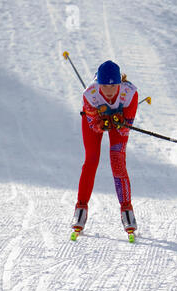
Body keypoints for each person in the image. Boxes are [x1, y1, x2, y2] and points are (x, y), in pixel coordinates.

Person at [71, 60, 138, 236]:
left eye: (113, 87)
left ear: (119, 84)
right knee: (91, 160)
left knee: (117, 161)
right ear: (98, 84)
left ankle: (127, 211)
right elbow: (93, 125)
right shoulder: (90, 94)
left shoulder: (130, 93)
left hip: (117, 124)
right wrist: (103, 123)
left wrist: (119, 121)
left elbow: (125, 128)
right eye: (104, 87)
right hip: (95, 123)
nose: (108, 92)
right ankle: (80, 210)